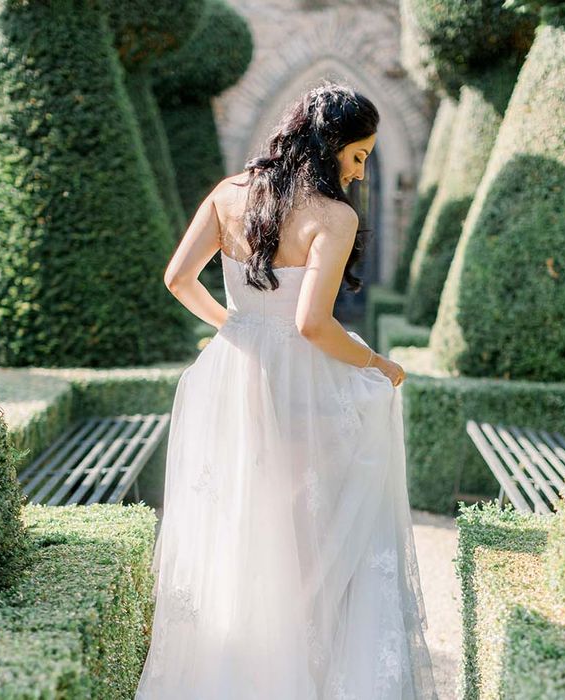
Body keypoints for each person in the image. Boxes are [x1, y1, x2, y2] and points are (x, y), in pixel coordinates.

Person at [134, 80, 437, 699]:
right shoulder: (332, 217)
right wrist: (380, 363)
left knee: (240, 523)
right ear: (330, 148)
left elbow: (177, 278)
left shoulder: (226, 195)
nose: (358, 173)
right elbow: (313, 325)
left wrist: (237, 328)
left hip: (230, 370)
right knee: (311, 530)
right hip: (298, 380)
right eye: (357, 156)